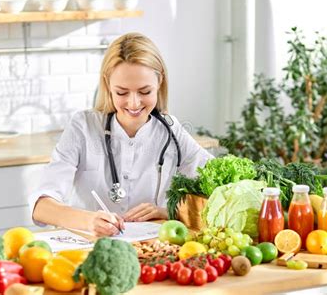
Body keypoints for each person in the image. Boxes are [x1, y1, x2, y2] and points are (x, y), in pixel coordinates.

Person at [29, 32, 213, 236]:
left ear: (159, 82)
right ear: (107, 84)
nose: (134, 103)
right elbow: (41, 207)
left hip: (151, 251)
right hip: (89, 247)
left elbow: (217, 193)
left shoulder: (172, 130)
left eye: (144, 92)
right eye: (122, 93)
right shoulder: (83, 126)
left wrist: (169, 212)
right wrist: (88, 220)